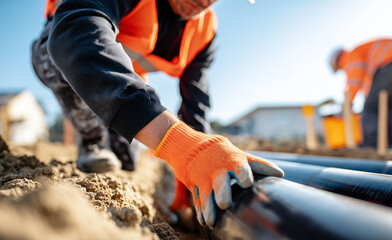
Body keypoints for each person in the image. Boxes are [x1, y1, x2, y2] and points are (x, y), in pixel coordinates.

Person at [34, 0, 284, 227]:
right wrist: (179, 145)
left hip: (124, 85)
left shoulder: (204, 33)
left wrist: (192, 174)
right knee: (67, 54)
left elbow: (195, 107)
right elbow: (77, 30)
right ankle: (92, 139)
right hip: (63, 41)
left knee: (126, 162)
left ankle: (110, 141)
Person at [330, 38, 392, 149]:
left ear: (338, 62)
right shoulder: (363, 56)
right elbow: (370, 86)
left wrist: (348, 103)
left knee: (370, 108)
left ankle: (370, 147)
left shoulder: (349, 56)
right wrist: (368, 98)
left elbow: (355, 79)